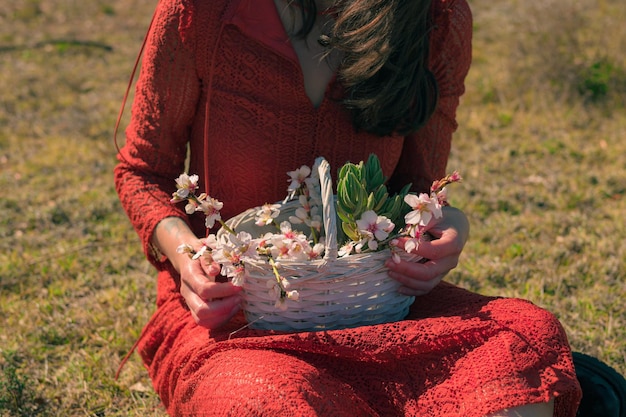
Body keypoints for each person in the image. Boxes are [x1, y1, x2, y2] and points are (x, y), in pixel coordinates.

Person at [114, 0, 582, 415]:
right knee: (264, 401)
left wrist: (450, 225)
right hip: (236, 319)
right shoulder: (199, 12)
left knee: (527, 339)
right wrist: (186, 256)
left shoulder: (435, 17)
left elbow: (420, 186)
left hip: (376, 309)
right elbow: (142, 171)